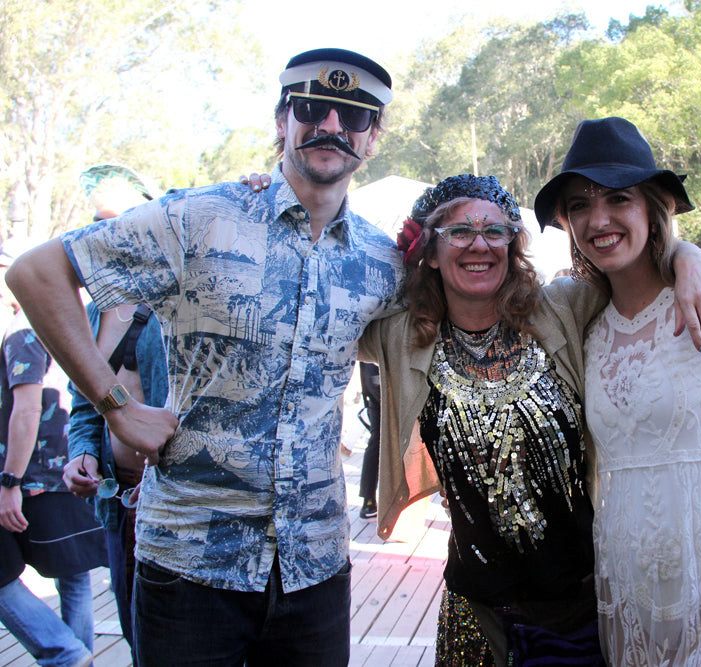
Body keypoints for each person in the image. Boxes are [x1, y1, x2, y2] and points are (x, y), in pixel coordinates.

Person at [6, 48, 403, 666]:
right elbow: (36, 274)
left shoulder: (383, 260)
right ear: (282, 121)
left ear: (373, 137)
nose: (331, 126)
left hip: (315, 565)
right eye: (311, 108)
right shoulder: (198, 219)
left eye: (353, 116)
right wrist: (113, 408)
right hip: (192, 562)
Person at [358, 173, 701, 667]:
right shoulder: (400, 335)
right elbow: (319, 295)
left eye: (495, 231)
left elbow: (636, 270)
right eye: (459, 232)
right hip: (478, 612)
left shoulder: (563, 308)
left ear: (513, 244)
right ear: (429, 249)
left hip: (585, 602)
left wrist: (689, 257)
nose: (479, 245)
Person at [533, 117, 701, 667]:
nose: (599, 219)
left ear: (653, 207)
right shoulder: (585, 320)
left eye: (618, 198)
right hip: (629, 590)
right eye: (580, 204)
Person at [60, 164, 167, 660]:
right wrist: (80, 454)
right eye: (100, 221)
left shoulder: (181, 301)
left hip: (174, 504)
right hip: (117, 502)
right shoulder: (94, 310)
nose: (110, 233)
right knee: (132, 632)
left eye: (122, 219)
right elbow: (83, 404)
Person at [0, 238, 107, 667]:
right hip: (65, 468)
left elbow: (26, 410)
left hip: (33, 477)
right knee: (73, 573)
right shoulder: (70, 323)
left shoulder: (25, 331)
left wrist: (10, 481)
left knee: (66, 572)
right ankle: (77, 656)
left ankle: (66, 655)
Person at [357, 361, 380, 519]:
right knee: (381, 440)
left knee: (376, 440)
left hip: (372, 376)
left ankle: (369, 500)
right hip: (381, 377)